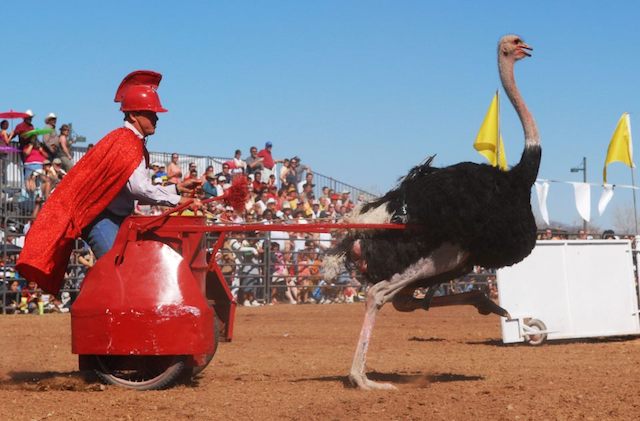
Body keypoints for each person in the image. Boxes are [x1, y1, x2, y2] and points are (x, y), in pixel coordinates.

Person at [16, 70, 202, 295]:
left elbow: (129, 185)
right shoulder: (127, 143)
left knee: (129, 272)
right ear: (134, 115)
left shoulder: (125, 141)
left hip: (114, 218)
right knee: (122, 271)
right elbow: (138, 188)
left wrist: (175, 188)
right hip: (102, 219)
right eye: (151, 113)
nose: (156, 118)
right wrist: (178, 199)